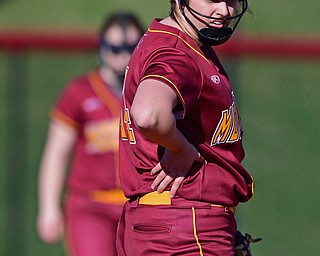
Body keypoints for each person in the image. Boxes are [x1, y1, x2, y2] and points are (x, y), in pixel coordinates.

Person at [117, 0, 254, 255]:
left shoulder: (177, 41)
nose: (224, 11)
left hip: (169, 223)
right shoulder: (176, 51)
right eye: (213, 0)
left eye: (231, 0)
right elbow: (148, 114)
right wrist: (180, 148)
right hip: (184, 227)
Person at [36, 12, 144, 256]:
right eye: (114, 48)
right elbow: (56, 154)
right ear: (101, 48)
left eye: (130, 47)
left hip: (142, 206)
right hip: (91, 206)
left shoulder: (154, 93)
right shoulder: (80, 92)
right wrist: (48, 207)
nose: (122, 55)